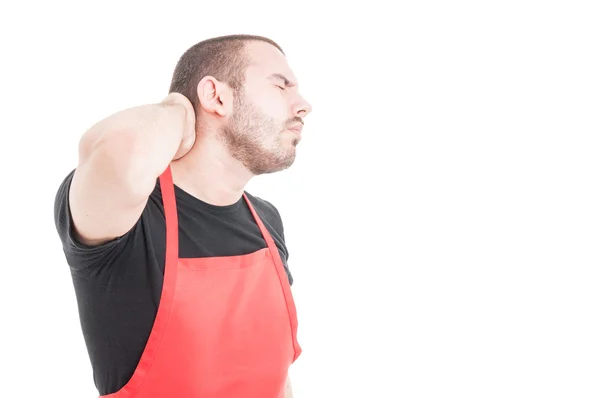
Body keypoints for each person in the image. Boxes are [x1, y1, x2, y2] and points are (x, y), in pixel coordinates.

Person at [53, 34, 312, 398]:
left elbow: (276, 378)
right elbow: (117, 149)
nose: (303, 105)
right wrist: (178, 108)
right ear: (216, 96)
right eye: (281, 86)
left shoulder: (266, 221)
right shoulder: (132, 215)